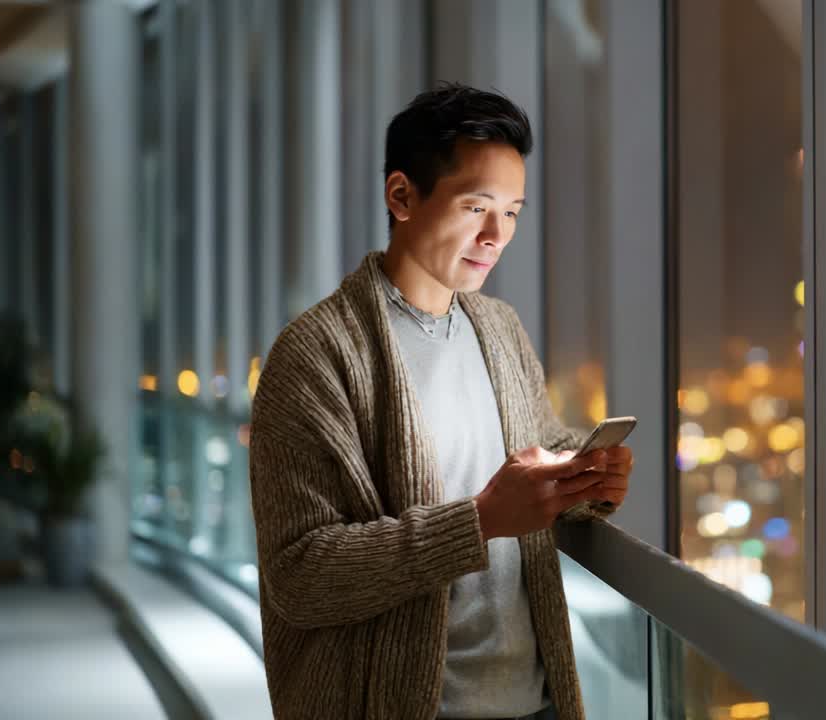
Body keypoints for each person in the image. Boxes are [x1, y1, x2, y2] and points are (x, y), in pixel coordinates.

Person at [248, 82, 633, 720]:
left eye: (512, 212)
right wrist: (479, 521)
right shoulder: (315, 354)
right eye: (476, 206)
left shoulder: (500, 329)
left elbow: (537, 450)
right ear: (402, 196)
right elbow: (300, 575)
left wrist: (585, 475)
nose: (496, 235)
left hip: (535, 701)